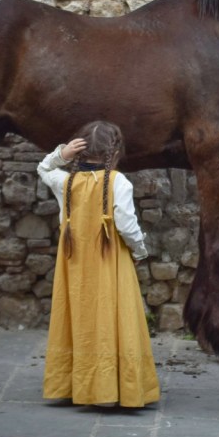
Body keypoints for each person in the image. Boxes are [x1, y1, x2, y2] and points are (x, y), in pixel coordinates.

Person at [37, 120, 160, 407]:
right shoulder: (119, 183)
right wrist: (140, 250)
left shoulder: (65, 181)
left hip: (74, 267)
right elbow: (128, 227)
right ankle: (115, 387)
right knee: (112, 317)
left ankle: (75, 383)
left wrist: (60, 156)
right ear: (114, 151)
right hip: (110, 263)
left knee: (79, 319)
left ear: (80, 150)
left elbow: (44, 168)